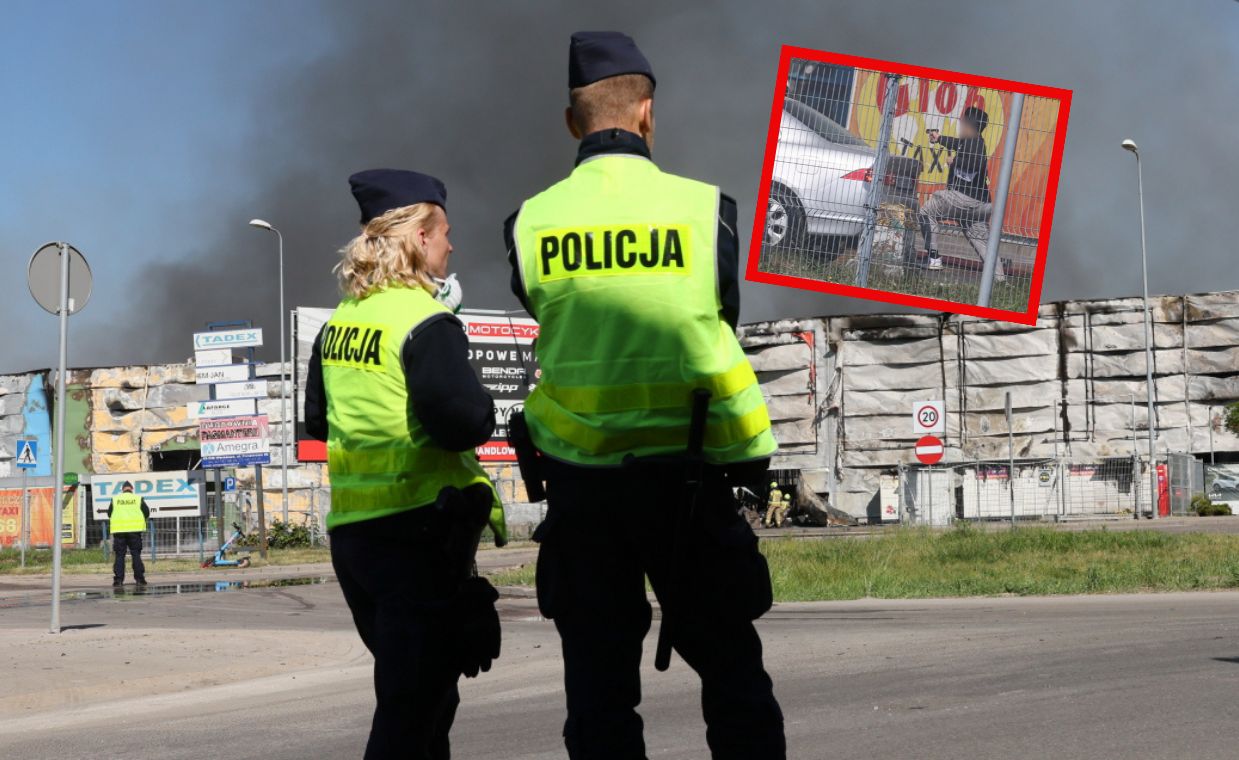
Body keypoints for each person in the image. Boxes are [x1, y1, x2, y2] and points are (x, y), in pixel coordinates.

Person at [505, 31, 786, 759]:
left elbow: (553, 324)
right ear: (648, 114)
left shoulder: (530, 223)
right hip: (689, 481)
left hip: (583, 489)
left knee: (597, 689)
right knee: (732, 673)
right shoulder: (706, 210)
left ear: (572, 121)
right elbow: (717, 322)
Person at [304, 169, 507, 760]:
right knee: (411, 710)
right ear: (419, 236)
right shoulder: (425, 321)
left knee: (422, 699)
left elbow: (319, 421)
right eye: (444, 232)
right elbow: (465, 422)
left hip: (356, 544)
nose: (451, 245)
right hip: (419, 538)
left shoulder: (339, 324)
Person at [919, 106, 1004, 280]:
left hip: (963, 200)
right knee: (979, 239)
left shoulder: (975, 143)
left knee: (927, 211)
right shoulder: (970, 140)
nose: (959, 124)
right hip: (980, 204)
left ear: (968, 125)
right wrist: (939, 138)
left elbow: (978, 163)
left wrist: (955, 161)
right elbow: (957, 144)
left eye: (962, 121)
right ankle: (1000, 279)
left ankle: (934, 258)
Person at [108, 481, 148, 587]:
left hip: (119, 531)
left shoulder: (115, 499)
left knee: (120, 555)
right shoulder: (138, 498)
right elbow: (147, 512)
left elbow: (109, 513)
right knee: (136, 554)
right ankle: (140, 579)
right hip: (135, 531)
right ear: (131, 489)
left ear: (122, 489)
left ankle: (118, 581)